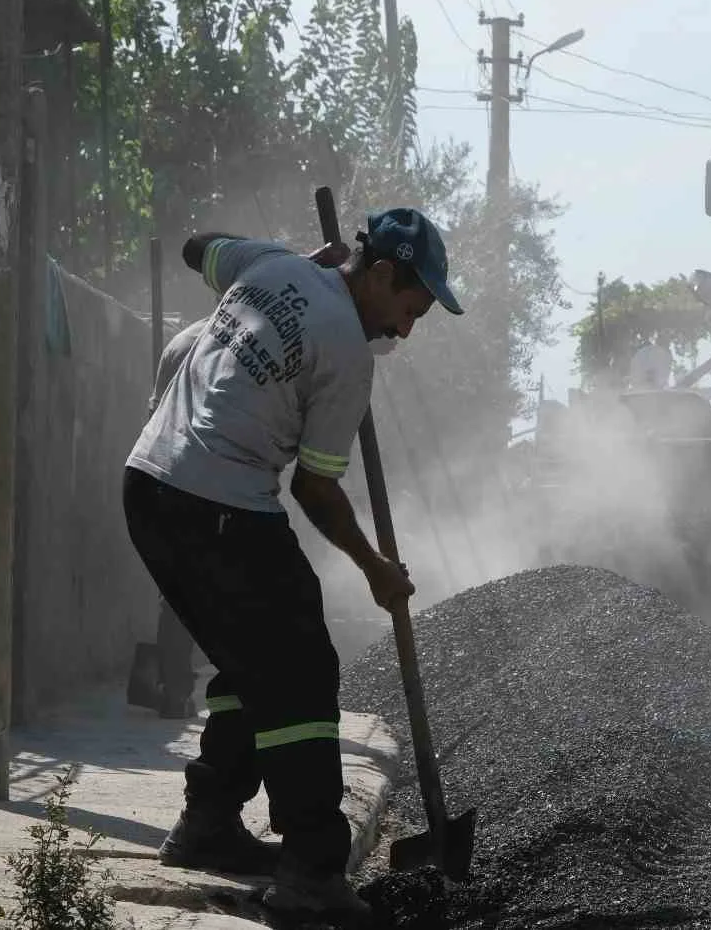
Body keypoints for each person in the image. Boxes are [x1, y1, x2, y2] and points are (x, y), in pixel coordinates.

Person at [123, 207, 463, 925]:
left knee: (255, 660)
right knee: (302, 668)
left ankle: (209, 821)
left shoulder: (271, 265)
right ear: (378, 273)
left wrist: (292, 266)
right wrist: (374, 567)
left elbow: (196, 246)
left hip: (150, 486)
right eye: (409, 307)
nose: (406, 328)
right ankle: (312, 866)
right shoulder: (347, 349)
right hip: (217, 501)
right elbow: (314, 487)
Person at [146, 316, 210, 719]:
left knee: (177, 592)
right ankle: (180, 689)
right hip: (208, 480)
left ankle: (174, 688)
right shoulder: (230, 344)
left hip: (161, 475)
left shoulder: (181, 341)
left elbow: (154, 415)